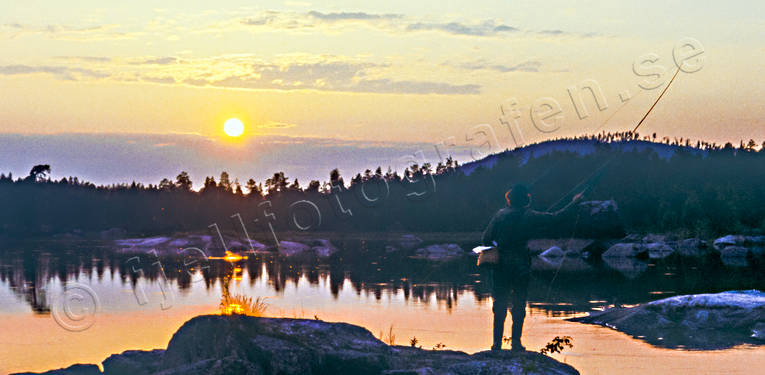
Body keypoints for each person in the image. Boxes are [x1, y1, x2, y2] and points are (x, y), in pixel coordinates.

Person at [482, 183, 583, 351]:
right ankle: (516, 344)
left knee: (499, 304)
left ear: (509, 199)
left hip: (500, 266)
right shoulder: (530, 215)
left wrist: (498, 245)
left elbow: (486, 238)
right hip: (521, 265)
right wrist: (575, 202)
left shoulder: (499, 215)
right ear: (526, 200)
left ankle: (496, 345)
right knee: (519, 304)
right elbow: (557, 217)